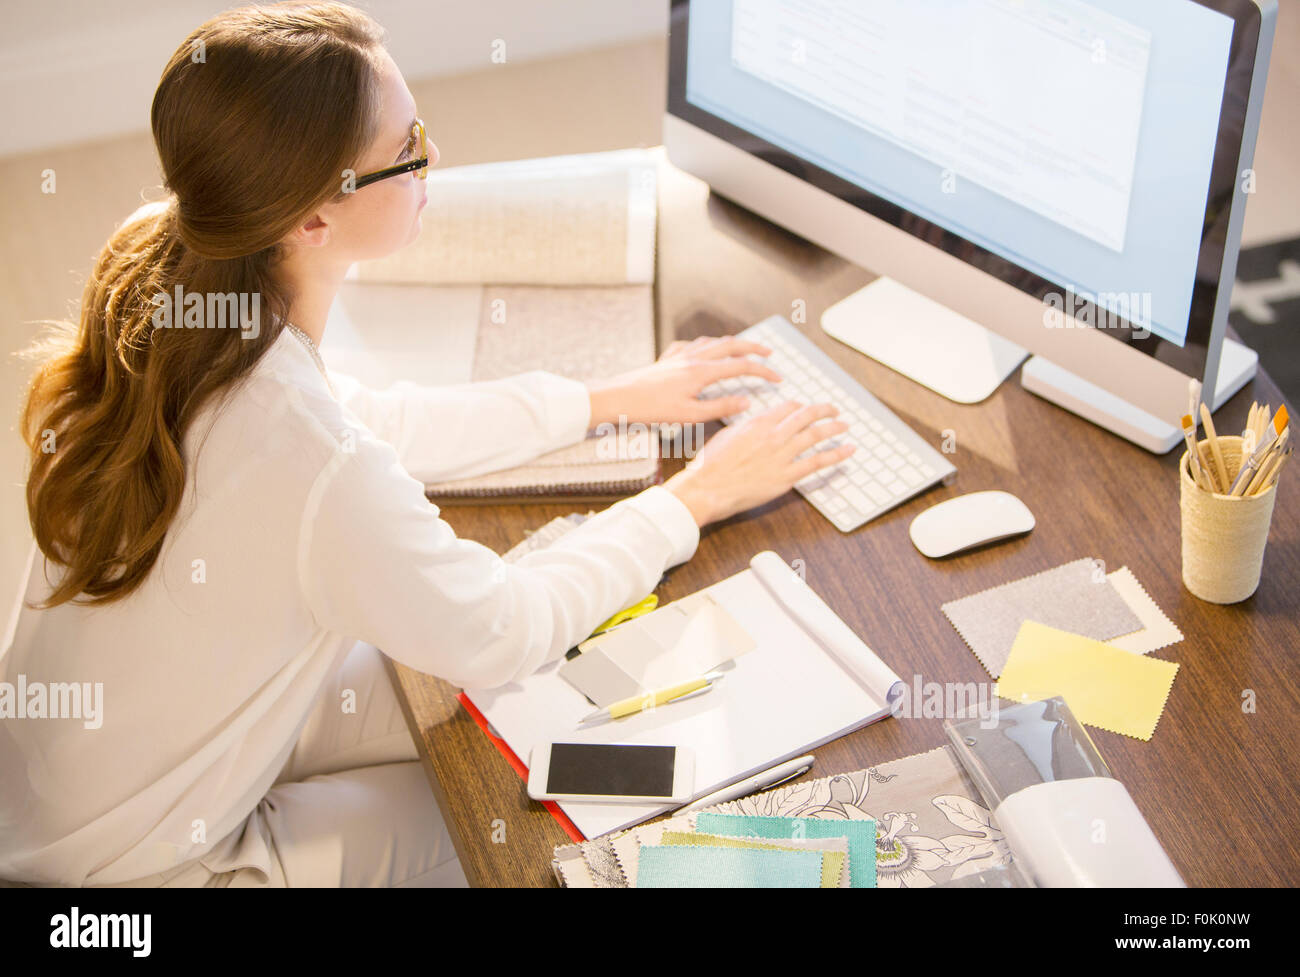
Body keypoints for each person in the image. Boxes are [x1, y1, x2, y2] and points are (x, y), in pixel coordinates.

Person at [0, 1, 853, 887]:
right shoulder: (307, 455)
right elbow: (503, 628)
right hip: (130, 876)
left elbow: (377, 422)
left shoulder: (172, 273)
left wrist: (606, 398)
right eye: (406, 151)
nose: (433, 158)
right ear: (314, 221)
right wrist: (695, 496)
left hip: (68, 788)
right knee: (503, 803)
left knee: (491, 703)